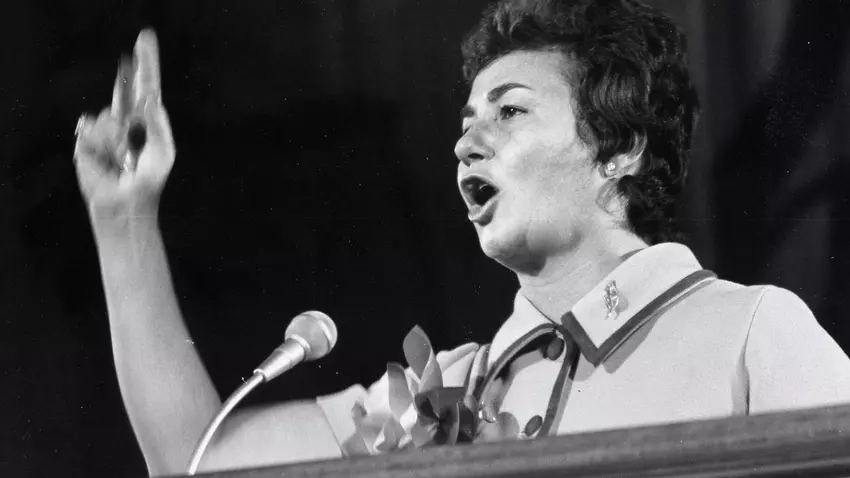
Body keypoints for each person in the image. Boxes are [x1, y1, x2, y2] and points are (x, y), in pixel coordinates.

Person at [72, 0, 850, 476]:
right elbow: (198, 460)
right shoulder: (437, 394)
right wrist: (124, 220)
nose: (465, 144)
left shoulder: (752, 330)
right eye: (466, 122)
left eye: (510, 111)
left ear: (620, 149)